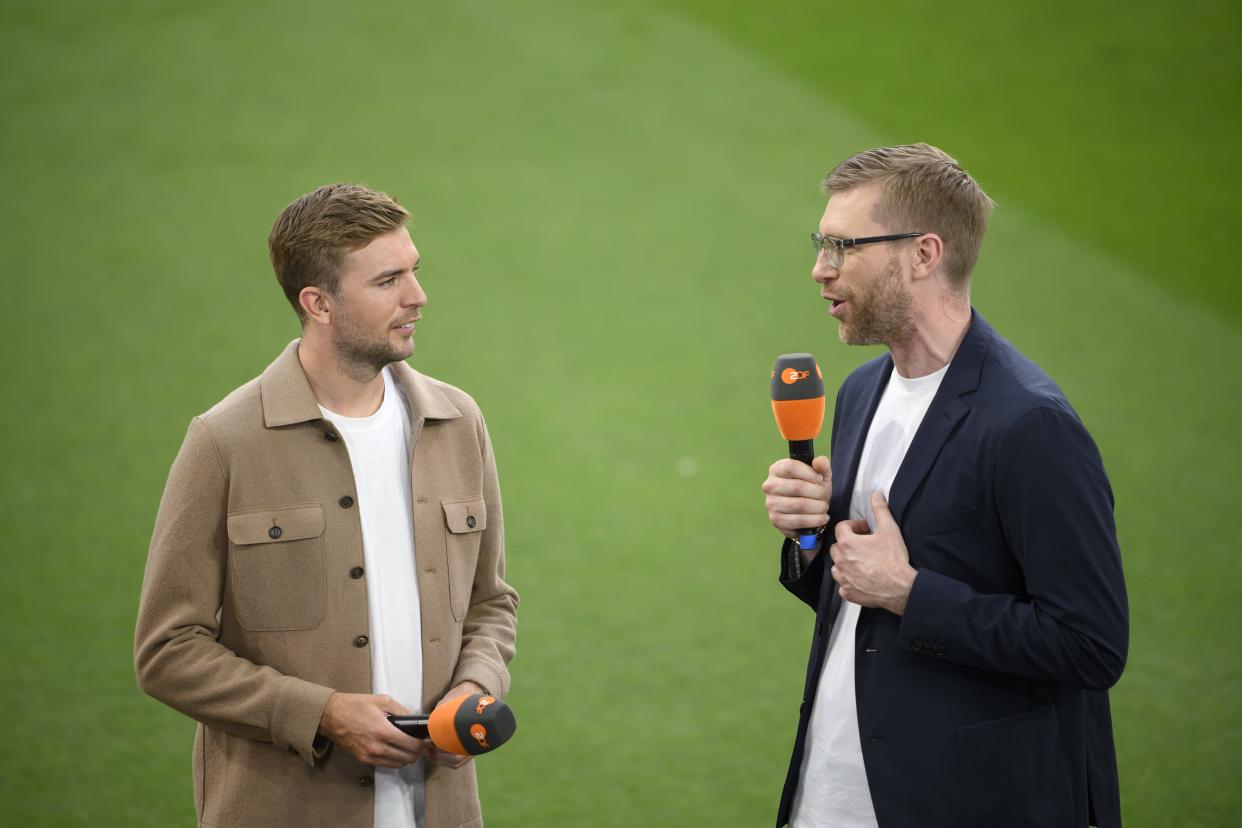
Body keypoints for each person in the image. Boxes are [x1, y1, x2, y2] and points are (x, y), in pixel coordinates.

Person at [761, 145, 1127, 828]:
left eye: (843, 246)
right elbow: (854, 595)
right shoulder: (862, 392)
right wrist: (809, 537)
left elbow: (1091, 645)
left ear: (924, 254)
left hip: (962, 802)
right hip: (830, 795)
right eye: (821, 245)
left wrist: (910, 592)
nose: (820, 269)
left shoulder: (1029, 424)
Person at [135, 183, 518, 828]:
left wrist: (477, 686)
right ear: (318, 303)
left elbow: (491, 601)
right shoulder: (225, 441)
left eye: (414, 271)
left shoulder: (457, 422)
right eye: (388, 280)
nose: (418, 296)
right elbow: (168, 650)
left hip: (441, 810)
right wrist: (320, 713)